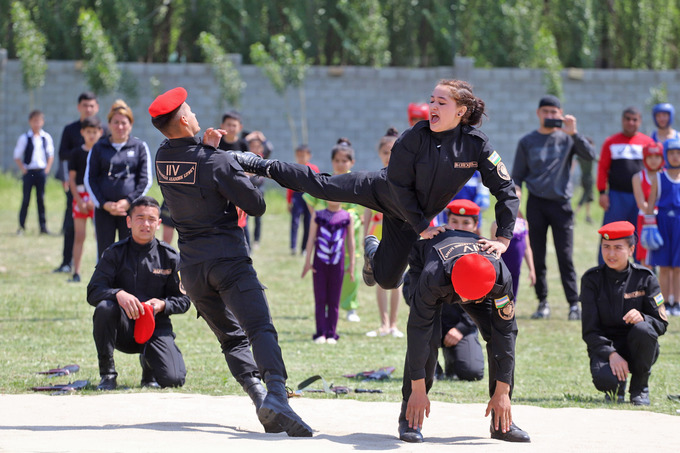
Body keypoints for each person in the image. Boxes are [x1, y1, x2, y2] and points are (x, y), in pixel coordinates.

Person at [234, 79, 519, 293]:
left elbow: (505, 190)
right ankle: (260, 165)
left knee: (387, 280)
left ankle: (372, 252)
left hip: (411, 217)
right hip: (382, 190)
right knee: (323, 186)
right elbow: (397, 185)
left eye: (441, 103)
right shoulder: (413, 137)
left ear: (461, 111)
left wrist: (503, 238)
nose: (433, 106)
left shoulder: (476, 145)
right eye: (432, 100)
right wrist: (422, 226)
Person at [149, 87, 312, 437]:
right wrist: (242, 169)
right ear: (183, 119)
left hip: (192, 269)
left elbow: (194, 168)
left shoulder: (162, 157)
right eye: (190, 111)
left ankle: (260, 400)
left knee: (232, 339)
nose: (195, 115)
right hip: (228, 261)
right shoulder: (217, 160)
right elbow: (255, 205)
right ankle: (278, 396)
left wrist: (209, 152)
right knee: (260, 328)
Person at [398, 229, 530, 443]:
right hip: (431, 266)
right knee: (429, 338)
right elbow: (418, 332)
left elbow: (506, 333)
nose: (466, 303)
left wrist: (503, 390)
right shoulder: (432, 277)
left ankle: (501, 423)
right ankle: (409, 417)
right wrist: (418, 389)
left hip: (479, 282)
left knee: (498, 337)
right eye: (464, 297)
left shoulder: (500, 277)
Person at [86, 196, 190, 390]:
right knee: (104, 308)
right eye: (140, 218)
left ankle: (149, 364)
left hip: (155, 328)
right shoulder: (114, 253)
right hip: (122, 329)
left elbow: (184, 300)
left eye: (151, 219)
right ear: (129, 221)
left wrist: (163, 305)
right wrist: (117, 294)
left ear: (159, 223)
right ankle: (107, 375)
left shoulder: (170, 257)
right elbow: (93, 291)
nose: (145, 224)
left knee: (174, 380)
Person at [511, 95, 596, 320]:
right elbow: (517, 176)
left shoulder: (568, 139)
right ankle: (542, 302)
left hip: (561, 205)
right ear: (538, 113)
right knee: (538, 255)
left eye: (554, 112)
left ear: (561, 114)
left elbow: (590, 155)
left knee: (565, 256)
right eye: (545, 112)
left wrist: (574, 133)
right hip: (536, 204)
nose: (549, 116)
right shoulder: (527, 141)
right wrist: (516, 197)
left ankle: (573, 305)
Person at [580, 221, 668, 405]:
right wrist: (612, 354)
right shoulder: (591, 280)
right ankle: (616, 386)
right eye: (606, 247)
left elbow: (661, 323)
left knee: (644, 329)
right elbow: (590, 331)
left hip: (638, 344)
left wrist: (643, 317)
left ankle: (640, 388)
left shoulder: (646, 278)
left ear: (631, 249)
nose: (611, 254)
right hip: (606, 347)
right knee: (605, 381)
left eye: (618, 248)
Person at [302, 139, 363, 323]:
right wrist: (319, 219)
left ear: (352, 162)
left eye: (344, 161)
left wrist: (343, 217)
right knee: (326, 273)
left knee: (350, 273)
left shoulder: (356, 183)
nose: (340, 164)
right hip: (325, 239)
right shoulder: (326, 180)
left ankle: (350, 307)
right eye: (337, 160)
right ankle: (328, 304)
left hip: (346, 237)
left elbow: (358, 210)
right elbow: (309, 198)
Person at [85, 99, 152, 258]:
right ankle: (104, 283)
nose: (120, 127)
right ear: (108, 124)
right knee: (104, 253)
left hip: (130, 211)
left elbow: (145, 180)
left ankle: (128, 283)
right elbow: (90, 179)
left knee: (130, 252)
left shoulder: (139, 147)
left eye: (124, 122)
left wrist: (128, 202)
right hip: (104, 210)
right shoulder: (98, 147)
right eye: (116, 122)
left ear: (131, 124)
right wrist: (103, 204)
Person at [596, 107, 653, 265]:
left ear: (639, 122)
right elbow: (602, 168)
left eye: (634, 119)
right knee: (611, 234)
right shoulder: (611, 142)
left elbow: (655, 169)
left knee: (640, 235)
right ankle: (605, 269)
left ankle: (642, 271)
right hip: (616, 197)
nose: (631, 122)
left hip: (641, 198)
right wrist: (602, 192)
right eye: (627, 119)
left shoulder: (647, 143)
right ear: (622, 120)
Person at [437, 199, 486, 381]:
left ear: (475, 225)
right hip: (432, 321)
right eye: (454, 221)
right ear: (446, 221)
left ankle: (453, 357)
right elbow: (411, 285)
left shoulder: (484, 253)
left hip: (462, 324)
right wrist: (424, 316)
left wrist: (462, 328)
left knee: (472, 373)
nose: (460, 227)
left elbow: (486, 300)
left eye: (466, 223)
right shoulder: (431, 246)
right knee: (422, 373)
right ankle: (432, 365)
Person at [54, 92, 103, 273]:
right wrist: (82, 151)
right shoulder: (70, 129)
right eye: (85, 105)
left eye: (91, 105)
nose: (88, 108)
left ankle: (104, 268)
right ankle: (67, 263)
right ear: (79, 107)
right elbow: (62, 154)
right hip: (76, 187)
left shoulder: (102, 129)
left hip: (98, 190)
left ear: (96, 107)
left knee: (101, 231)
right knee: (70, 226)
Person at [364, 128, 403, 338]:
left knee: (395, 279)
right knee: (380, 279)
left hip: (396, 235)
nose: (390, 157)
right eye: (386, 152)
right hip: (377, 234)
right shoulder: (376, 178)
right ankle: (383, 322)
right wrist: (365, 236)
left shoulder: (405, 180)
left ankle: (394, 324)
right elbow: (368, 210)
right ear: (380, 154)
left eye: (394, 152)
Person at [302, 201, 355, 344]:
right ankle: (320, 332)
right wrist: (307, 261)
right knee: (320, 298)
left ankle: (331, 333)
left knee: (334, 300)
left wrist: (352, 265)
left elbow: (351, 242)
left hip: (338, 264)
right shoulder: (317, 215)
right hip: (319, 263)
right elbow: (310, 239)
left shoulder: (347, 217)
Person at [645, 138, 680, 316]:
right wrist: (649, 228)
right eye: (672, 153)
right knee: (664, 267)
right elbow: (650, 206)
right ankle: (664, 301)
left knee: (679, 267)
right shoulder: (659, 177)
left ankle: (677, 303)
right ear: (666, 155)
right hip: (663, 225)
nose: (675, 156)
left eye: (678, 153)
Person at [68, 116, 103, 282]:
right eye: (88, 132)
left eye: (94, 132)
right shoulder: (76, 153)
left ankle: (102, 272)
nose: (91, 135)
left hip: (97, 196)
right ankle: (76, 272)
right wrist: (79, 200)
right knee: (79, 236)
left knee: (101, 235)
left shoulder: (102, 151)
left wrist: (94, 199)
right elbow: (72, 180)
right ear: (82, 132)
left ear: (100, 133)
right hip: (80, 197)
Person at [490, 187, 536, 299]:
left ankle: (510, 313)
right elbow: (492, 251)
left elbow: (527, 248)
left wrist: (532, 269)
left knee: (513, 294)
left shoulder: (524, 223)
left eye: (518, 199)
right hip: (502, 270)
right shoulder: (497, 225)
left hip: (516, 271)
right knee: (500, 294)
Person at [13, 110, 54, 235]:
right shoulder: (25, 137)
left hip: (41, 172)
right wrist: (23, 169)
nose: (37, 124)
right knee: (26, 199)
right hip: (29, 172)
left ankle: (43, 227)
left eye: (39, 121)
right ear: (30, 122)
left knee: (41, 199)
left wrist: (47, 169)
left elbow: (50, 154)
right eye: (34, 121)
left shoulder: (45, 137)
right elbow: (17, 156)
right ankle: (21, 226)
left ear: (42, 122)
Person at [631, 142, 665, 268]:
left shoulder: (667, 176)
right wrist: (653, 213)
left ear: (662, 158)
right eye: (650, 157)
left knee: (665, 259)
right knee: (646, 259)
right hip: (646, 221)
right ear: (645, 158)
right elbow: (641, 203)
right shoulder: (638, 177)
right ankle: (647, 287)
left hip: (664, 220)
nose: (653, 160)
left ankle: (666, 287)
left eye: (657, 156)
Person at [288, 144, 319, 255]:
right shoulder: (293, 167)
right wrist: (289, 201)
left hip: (309, 197)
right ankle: (293, 247)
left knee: (307, 222)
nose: (301, 158)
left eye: (303, 155)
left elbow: (317, 185)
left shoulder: (314, 168)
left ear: (309, 156)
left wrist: (316, 201)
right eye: (298, 155)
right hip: (297, 196)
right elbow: (289, 186)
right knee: (295, 222)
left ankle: (304, 248)